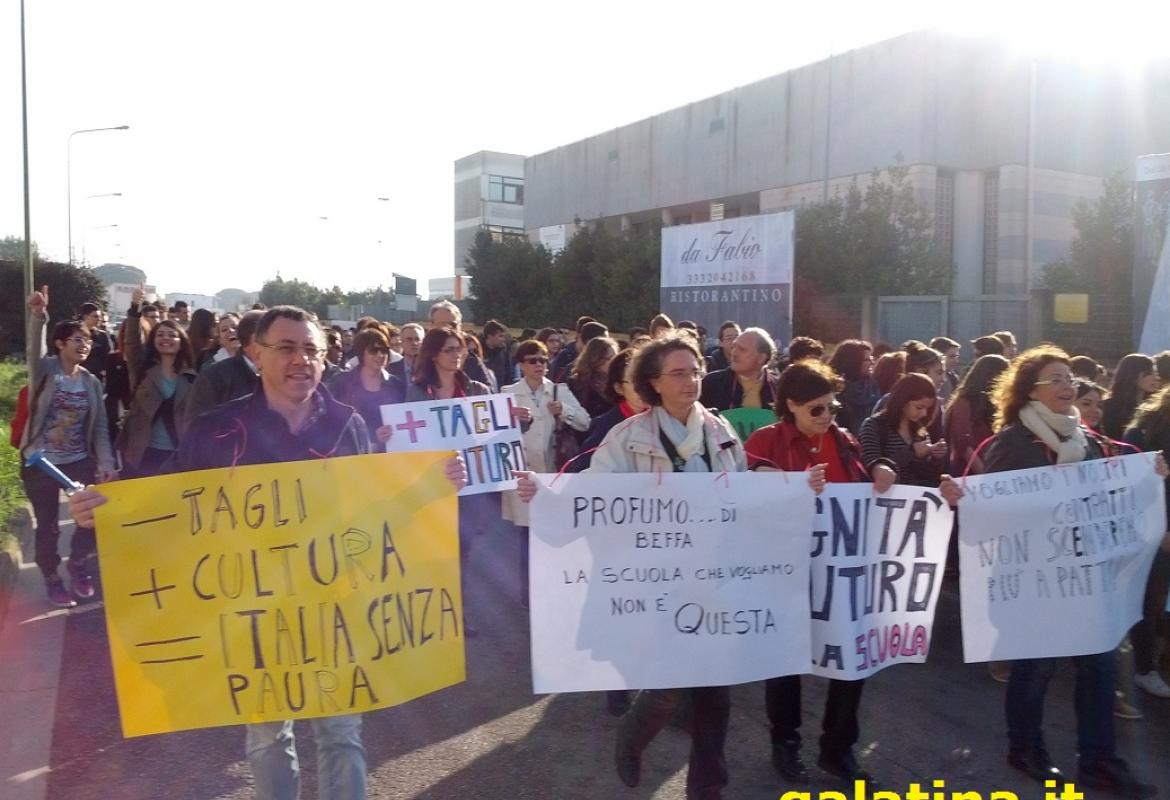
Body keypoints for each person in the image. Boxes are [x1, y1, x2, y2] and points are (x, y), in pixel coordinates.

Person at [68, 305, 468, 800]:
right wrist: (107, 509)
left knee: (341, 734)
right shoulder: (216, 428)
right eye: (286, 348)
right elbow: (167, 497)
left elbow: (377, 508)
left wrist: (431, 487)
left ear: (325, 359)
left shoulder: (349, 426)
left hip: (333, 608)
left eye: (312, 351)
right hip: (252, 611)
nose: (301, 360)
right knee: (266, 737)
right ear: (256, 353)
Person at [517, 334, 749, 800]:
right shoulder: (627, 438)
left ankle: (708, 789)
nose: (692, 381)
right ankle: (632, 737)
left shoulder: (723, 436)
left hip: (707, 583)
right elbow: (591, 496)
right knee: (665, 686)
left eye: (697, 371)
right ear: (654, 383)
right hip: (652, 584)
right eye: (679, 373)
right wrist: (546, 498)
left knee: (714, 692)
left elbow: (742, 497)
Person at [742, 360, 963, 784]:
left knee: (852, 659)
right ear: (790, 405)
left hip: (842, 574)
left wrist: (926, 489)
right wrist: (780, 482)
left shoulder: (843, 441)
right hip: (786, 570)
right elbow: (746, 494)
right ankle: (785, 744)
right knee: (786, 661)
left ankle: (837, 748)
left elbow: (875, 497)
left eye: (832, 408)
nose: (827, 418)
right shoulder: (765, 441)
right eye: (816, 410)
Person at [981, 346, 1161, 796]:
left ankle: (1098, 759)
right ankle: (1025, 747)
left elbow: (1118, 476)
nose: (1067, 387)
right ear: (1031, 391)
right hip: (1037, 579)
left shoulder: (1090, 440)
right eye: (1056, 380)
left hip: (1085, 576)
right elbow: (993, 509)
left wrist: (1147, 471)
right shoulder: (1013, 443)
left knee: (1100, 666)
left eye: (1070, 380)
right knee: (1037, 666)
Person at [20, 288, 116, 607]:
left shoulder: (91, 382)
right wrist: (38, 317)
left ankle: (78, 564)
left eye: (87, 339)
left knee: (89, 520)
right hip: (41, 462)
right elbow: (33, 350)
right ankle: (51, 577)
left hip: (78, 461)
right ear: (60, 343)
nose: (84, 344)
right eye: (76, 339)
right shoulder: (46, 371)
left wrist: (105, 462)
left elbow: (100, 426)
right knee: (47, 528)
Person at [407, 326, 492, 637]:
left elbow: (495, 434)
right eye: (450, 349)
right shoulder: (417, 392)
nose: (457, 355)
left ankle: (457, 611)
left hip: (470, 486)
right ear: (433, 354)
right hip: (432, 487)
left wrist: (519, 419)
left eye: (460, 349)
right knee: (434, 551)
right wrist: (388, 436)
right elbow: (408, 438)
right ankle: (430, 610)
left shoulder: (477, 390)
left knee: (463, 552)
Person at [500, 339, 589, 607]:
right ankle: (528, 595)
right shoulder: (508, 392)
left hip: (552, 473)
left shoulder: (559, 391)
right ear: (521, 365)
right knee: (527, 537)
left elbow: (585, 423)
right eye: (532, 360)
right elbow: (492, 432)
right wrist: (509, 418)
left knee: (551, 535)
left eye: (543, 360)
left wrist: (564, 411)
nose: (539, 365)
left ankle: (552, 587)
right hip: (523, 474)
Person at [1122, 386, 1170, 701]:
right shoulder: (1143, 433)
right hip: (1154, 533)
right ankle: (1142, 669)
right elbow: (1135, 483)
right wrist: (1163, 528)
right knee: (1149, 602)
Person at [119, 288, 198, 477]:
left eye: (172, 335)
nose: (166, 339)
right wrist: (134, 310)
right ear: (153, 340)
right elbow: (132, 343)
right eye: (160, 335)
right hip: (142, 453)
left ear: (182, 341)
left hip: (178, 456)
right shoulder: (142, 369)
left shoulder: (192, 377)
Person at [860, 373, 947, 491]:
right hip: (884, 499)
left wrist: (936, 456)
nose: (924, 413)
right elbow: (872, 467)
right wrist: (911, 452)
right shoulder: (874, 426)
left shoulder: (920, 431)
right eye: (919, 407)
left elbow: (929, 475)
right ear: (902, 401)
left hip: (914, 501)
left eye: (928, 408)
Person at [183, 310, 263, 430]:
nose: (231, 331)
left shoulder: (275, 372)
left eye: (234, 327)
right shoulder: (211, 373)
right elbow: (197, 427)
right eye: (224, 330)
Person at [327, 327, 404, 448]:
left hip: (390, 454)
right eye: (373, 350)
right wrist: (372, 436)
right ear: (361, 353)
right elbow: (333, 421)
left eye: (384, 350)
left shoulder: (398, 385)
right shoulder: (341, 382)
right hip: (353, 454)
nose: (380, 355)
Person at [944, 354, 1009, 476]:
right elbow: (963, 443)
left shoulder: (995, 404)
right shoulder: (964, 402)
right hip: (969, 474)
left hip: (993, 468)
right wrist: (984, 473)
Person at [700, 327, 778, 412]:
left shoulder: (778, 388)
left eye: (742, 349)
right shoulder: (711, 383)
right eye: (734, 347)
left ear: (761, 358)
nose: (734, 353)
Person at [428, 300, 492, 387]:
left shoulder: (471, 360)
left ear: (460, 327)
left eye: (453, 325)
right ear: (431, 326)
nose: (448, 329)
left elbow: (489, 395)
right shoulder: (420, 358)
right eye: (442, 324)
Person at [1100, 353, 1160, 440]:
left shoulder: (1154, 407)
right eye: (1149, 373)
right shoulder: (1110, 406)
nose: (1156, 378)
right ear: (1133, 375)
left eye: (1156, 373)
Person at [827, 339, 878, 435]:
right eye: (867, 359)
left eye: (871, 358)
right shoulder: (833, 389)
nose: (872, 363)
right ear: (853, 362)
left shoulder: (872, 386)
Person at [567, 335, 620, 422]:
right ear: (596, 359)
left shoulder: (618, 382)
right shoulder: (577, 382)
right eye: (609, 358)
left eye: (615, 357)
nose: (613, 362)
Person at [78, 301, 114, 384]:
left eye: (100, 317)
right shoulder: (74, 333)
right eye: (95, 316)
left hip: (96, 379)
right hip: (77, 377)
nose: (99, 319)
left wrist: (104, 371)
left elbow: (109, 355)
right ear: (85, 317)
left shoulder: (102, 336)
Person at [480, 319, 513, 389]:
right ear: (489, 336)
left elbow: (509, 374)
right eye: (500, 336)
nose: (503, 339)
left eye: (504, 336)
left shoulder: (504, 351)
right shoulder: (478, 351)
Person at [930, 336, 962, 401]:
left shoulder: (953, 376)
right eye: (952, 356)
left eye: (956, 357)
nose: (956, 361)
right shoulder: (930, 378)